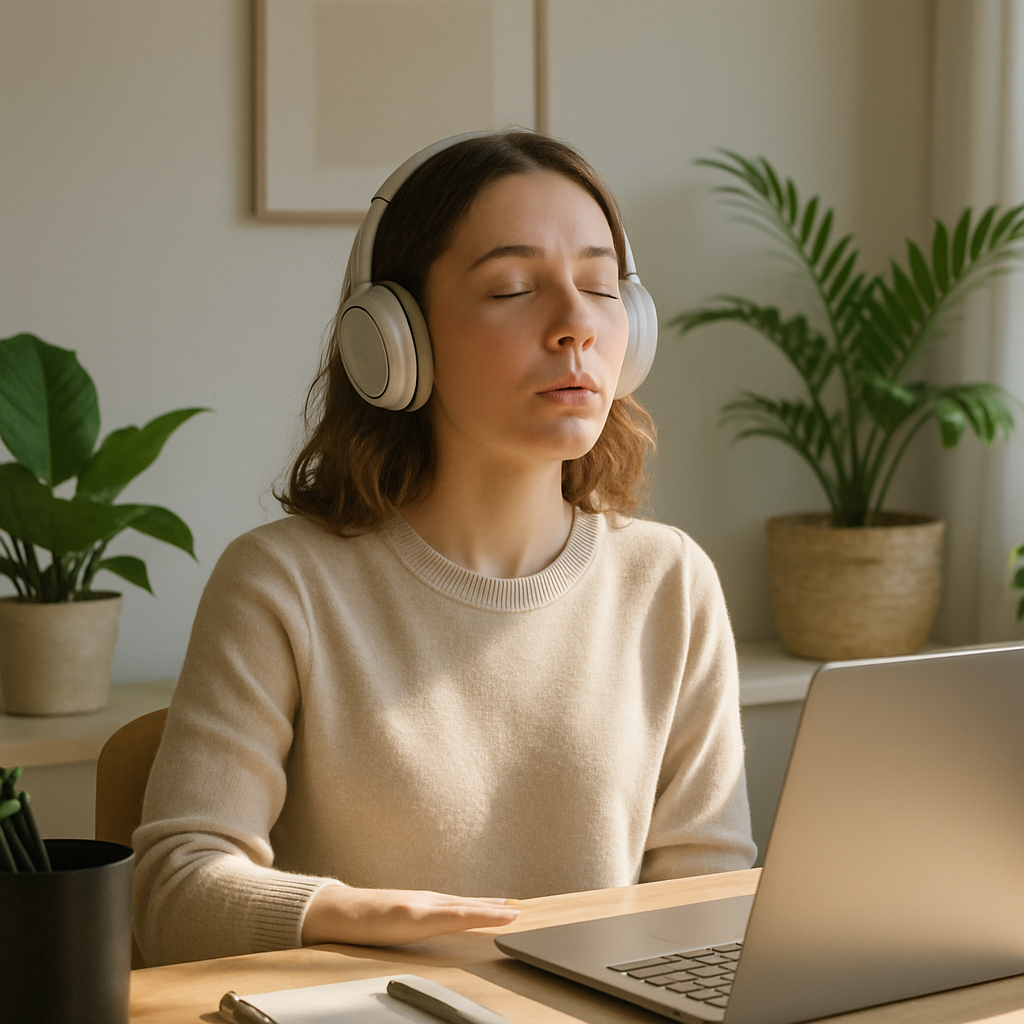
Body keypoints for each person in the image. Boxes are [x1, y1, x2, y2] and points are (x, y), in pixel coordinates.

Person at [132, 131, 756, 968]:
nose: (576, 325)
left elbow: (705, 902)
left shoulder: (670, 581)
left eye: (602, 288)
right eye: (511, 287)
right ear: (394, 339)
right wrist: (350, 910)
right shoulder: (283, 583)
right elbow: (174, 891)